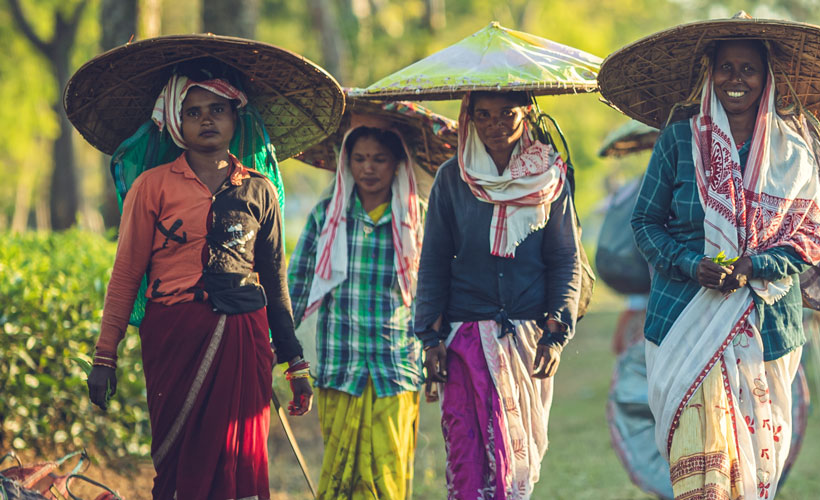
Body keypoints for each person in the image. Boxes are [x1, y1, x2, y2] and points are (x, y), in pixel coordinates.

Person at [86, 71, 312, 500]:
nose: (207, 120)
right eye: (193, 112)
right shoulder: (150, 187)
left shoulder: (259, 191)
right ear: (176, 122)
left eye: (218, 110)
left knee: (240, 463)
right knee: (176, 460)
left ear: (235, 118)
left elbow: (274, 279)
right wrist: (104, 356)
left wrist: (295, 362)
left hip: (245, 337)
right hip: (174, 336)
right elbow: (126, 275)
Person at [631, 39, 820, 499]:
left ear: (767, 80)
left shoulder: (794, 152)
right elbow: (644, 222)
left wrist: (754, 264)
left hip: (767, 326)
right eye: (726, 68)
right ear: (710, 74)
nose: (736, 79)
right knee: (698, 465)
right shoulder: (678, 141)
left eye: (748, 69)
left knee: (754, 467)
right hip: (684, 319)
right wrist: (690, 263)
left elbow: (812, 238)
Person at [413, 90, 585, 499]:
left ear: (526, 113)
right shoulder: (452, 179)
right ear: (468, 118)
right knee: (468, 455)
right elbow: (434, 259)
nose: (495, 125)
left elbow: (565, 258)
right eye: (483, 115)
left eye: (507, 113)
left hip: (526, 336)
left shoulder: (549, 178)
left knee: (517, 458)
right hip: (464, 336)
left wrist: (555, 332)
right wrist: (431, 338)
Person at [288, 126, 425, 499]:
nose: (369, 168)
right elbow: (297, 284)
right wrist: (279, 344)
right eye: (360, 158)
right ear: (346, 163)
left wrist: (437, 350)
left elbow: (433, 293)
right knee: (340, 473)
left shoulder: (416, 219)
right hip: (341, 364)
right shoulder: (327, 217)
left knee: (388, 473)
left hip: (395, 366)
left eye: (379, 159)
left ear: (397, 164)